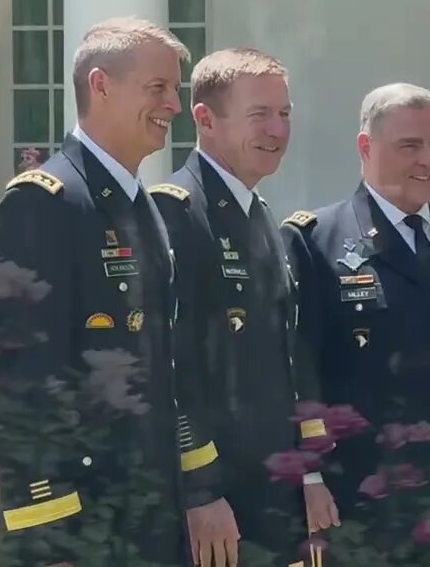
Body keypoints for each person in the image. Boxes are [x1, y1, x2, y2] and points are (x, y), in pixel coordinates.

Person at [0, 17, 238, 566]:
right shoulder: (43, 204)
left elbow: (168, 367)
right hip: (78, 532)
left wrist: (200, 486)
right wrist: (49, 538)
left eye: (176, 89)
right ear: (100, 86)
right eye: (158, 88)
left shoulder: (141, 205)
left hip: (149, 518)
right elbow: (18, 383)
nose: (174, 105)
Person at [279, 83, 430, 565]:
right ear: (365, 147)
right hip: (367, 498)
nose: (427, 161)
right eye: (409, 146)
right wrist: (309, 475)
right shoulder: (316, 240)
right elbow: (298, 366)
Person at [148, 48, 338, 567]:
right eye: (260, 114)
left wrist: (311, 470)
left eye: (285, 113)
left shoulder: (261, 217)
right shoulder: (178, 213)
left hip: (268, 495)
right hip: (217, 500)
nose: (277, 129)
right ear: (205, 119)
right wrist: (199, 490)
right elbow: (170, 367)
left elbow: (288, 357)